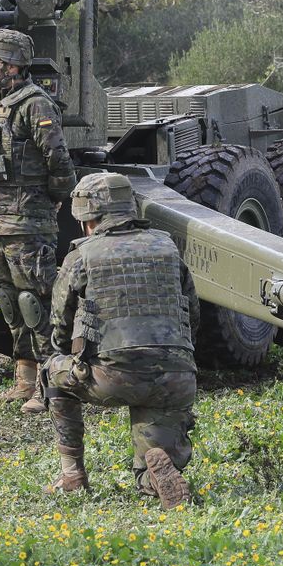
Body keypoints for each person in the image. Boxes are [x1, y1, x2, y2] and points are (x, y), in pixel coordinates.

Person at [41, 172, 197, 509]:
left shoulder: (81, 256)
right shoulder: (167, 248)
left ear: (88, 219)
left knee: (52, 371)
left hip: (112, 377)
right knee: (151, 463)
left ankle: (72, 475)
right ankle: (152, 475)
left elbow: (60, 325)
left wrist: (71, 353)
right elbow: (192, 315)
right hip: (174, 378)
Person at [0, 29, 75, 415]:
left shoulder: (35, 104)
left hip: (29, 220)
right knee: (11, 302)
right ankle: (24, 382)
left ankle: (52, 385)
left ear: (12, 65)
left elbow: (58, 160)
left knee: (37, 302)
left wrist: (55, 199)